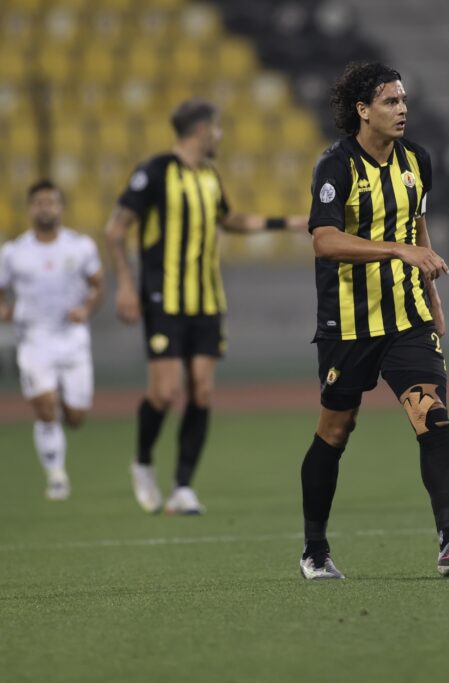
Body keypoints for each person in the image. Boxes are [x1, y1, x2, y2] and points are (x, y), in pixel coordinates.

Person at [297, 61, 449, 580]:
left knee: (433, 418)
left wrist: (432, 295)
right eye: (390, 101)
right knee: (335, 430)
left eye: (404, 99)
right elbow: (324, 240)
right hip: (348, 325)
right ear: (363, 111)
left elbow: (417, 226)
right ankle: (314, 550)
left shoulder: (417, 160)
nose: (402, 108)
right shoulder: (336, 165)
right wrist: (397, 250)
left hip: (408, 319)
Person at [105, 98, 306, 515]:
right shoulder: (155, 171)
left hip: (207, 300)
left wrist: (288, 222)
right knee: (165, 392)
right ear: (200, 131)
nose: (220, 136)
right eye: (216, 128)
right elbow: (115, 229)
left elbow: (229, 219)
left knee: (202, 389)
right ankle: (142, 461)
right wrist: (124, 285)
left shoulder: (210, 176)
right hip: (164, 299)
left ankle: (182, 487)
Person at [0, 179, 103, 500]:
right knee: (44, 409)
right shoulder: (14, 252)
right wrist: (2, 309)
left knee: (76, 418)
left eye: (51, 202)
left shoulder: (81, 247)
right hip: (34, 338)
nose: (45, 209)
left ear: (61, 208)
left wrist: (87, 308)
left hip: (72, 338)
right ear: (30, 209)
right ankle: (56, 475)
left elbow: (98, 285)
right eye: (39, 203)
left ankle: (63, 409)